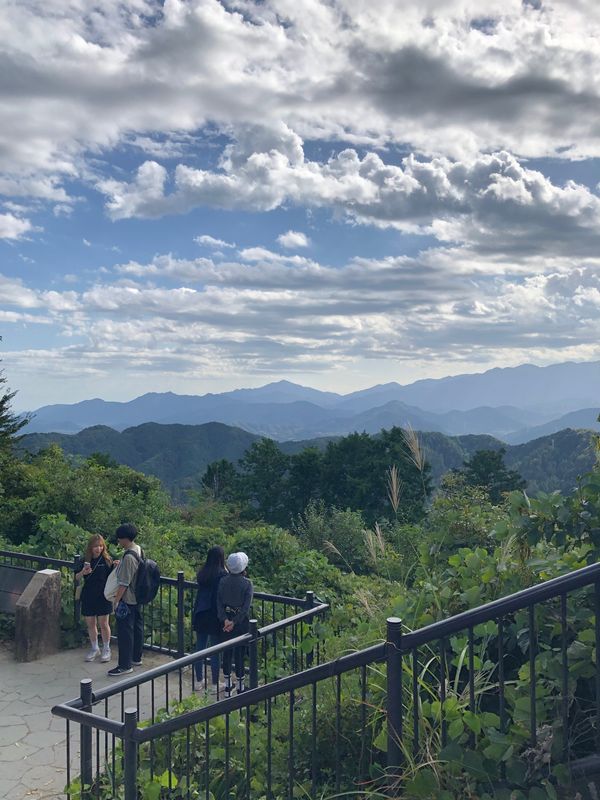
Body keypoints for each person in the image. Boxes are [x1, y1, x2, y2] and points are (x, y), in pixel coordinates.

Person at [107, 523, 144, 677]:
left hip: (128, 599)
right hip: (137, 597)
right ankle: (136, 657)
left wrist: (116, 600)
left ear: (125, 539)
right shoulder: (138, 549)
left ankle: (124, 665)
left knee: (125, 632)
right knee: (137, 628)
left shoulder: (129, 556)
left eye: (120, 539)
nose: (118, 541)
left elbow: (124, 582)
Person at [217, 551, 253, 694]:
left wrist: (225, 619)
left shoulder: (223, 581)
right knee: (239, 654)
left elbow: (218, 602)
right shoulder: (247, 584)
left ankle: (227, 685)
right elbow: (245, 608)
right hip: (240, 623)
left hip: (225, 620)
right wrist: (235, 621)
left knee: (226, 653)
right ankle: (240, 687)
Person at [192, 546, 227, 693]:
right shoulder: (222, 575)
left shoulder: (203, 573)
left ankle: (198, 681)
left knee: (200, 647)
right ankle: (214, 684)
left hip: (200, 612)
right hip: (214, 614)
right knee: (215, 650)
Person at [75, 534, 114, 663]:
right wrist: (83, 573)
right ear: (90, 547)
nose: (98, 548)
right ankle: (94, 647)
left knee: (104, 623)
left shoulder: (107, 560)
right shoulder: (84, 560)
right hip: (88, 594)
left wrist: (117, 566)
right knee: (91, 624)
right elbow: (77, 577)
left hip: (103, 595)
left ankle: (106, 648)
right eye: (96, 546)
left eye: (101, 546)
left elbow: (113, 577)